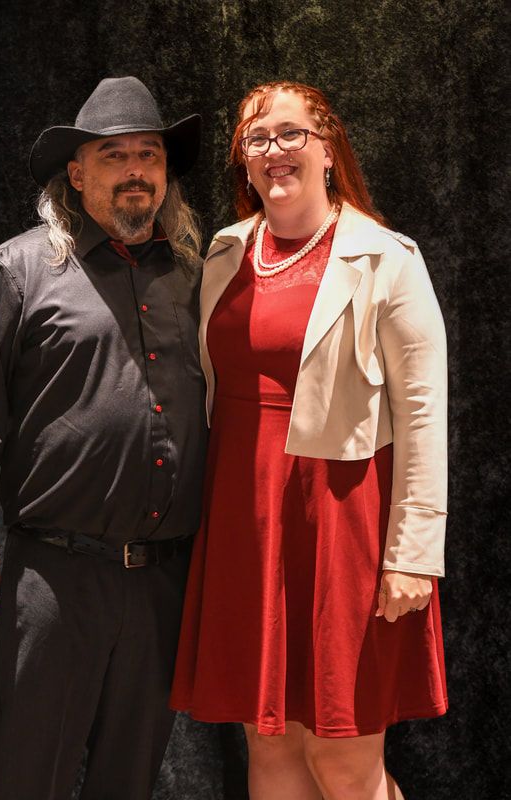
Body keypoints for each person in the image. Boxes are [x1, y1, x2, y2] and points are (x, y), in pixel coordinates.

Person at [170, 81, 448, 800]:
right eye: (256, 140)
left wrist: (411, 555)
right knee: (270, 755)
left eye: (290, 134)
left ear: (327, 150)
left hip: (341, 527)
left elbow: (422, 414)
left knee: (343, 763)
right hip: (244, 524)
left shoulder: (385, 258)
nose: (272, 152)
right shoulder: (226, 255)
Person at [0, 76, 207, 800]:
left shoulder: (193, 276)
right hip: (55, 575)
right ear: (77, 174)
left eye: (148, 154)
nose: (135, 170)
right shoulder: (21, 269)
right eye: (113, 155)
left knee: (131, 775)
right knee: (32, 777)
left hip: (161, 578)